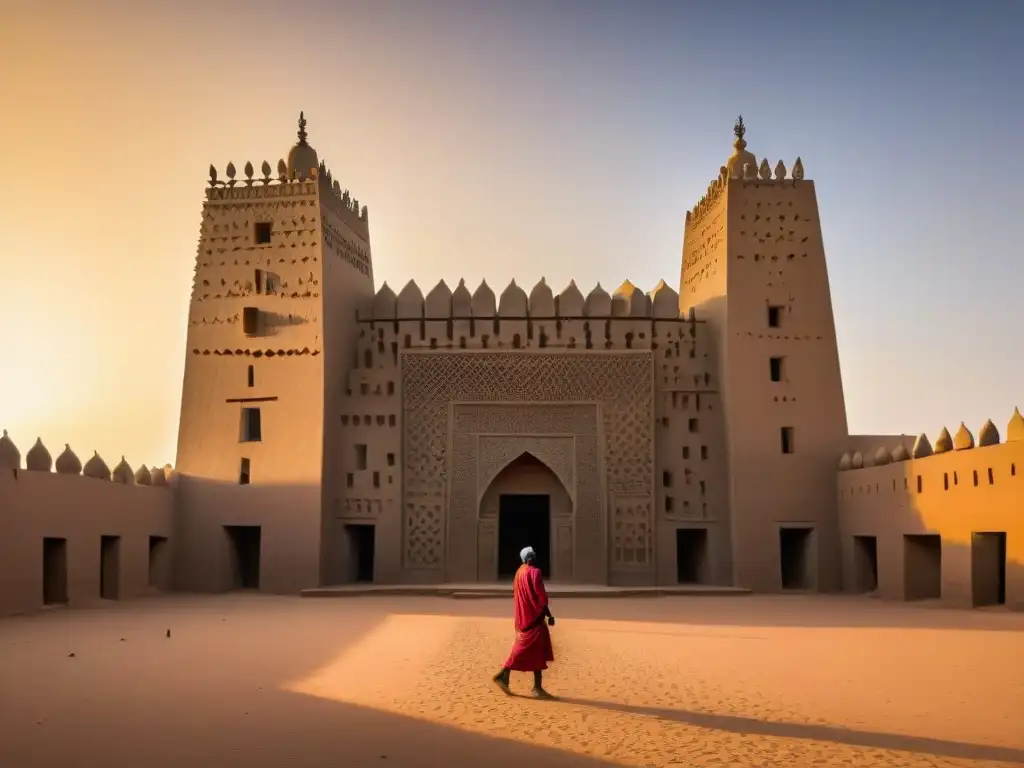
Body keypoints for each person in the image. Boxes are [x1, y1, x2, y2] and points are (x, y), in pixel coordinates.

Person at [492, 546, 555, 698]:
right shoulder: (534, 572)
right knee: (529, 649)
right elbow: (541, 597)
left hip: (524, 618)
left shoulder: (519, 572)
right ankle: (508, 675)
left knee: (534, 650)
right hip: (534, 618)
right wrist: (549, 615)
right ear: (528, 558)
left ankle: (533, 685)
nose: (533, 557)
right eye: (531, 555)